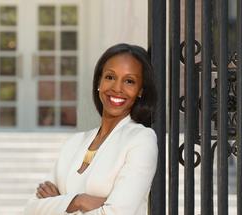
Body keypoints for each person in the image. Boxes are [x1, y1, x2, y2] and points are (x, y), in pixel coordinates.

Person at [25, 43, 158, 215]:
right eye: (110, 77)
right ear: (99, 82)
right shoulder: (74, 143)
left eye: (129, 81)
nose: (117, 88)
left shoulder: (141, 139)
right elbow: (30, 209)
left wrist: (58, 203)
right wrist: (79, 201)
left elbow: (118, 213)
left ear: (140, 91)